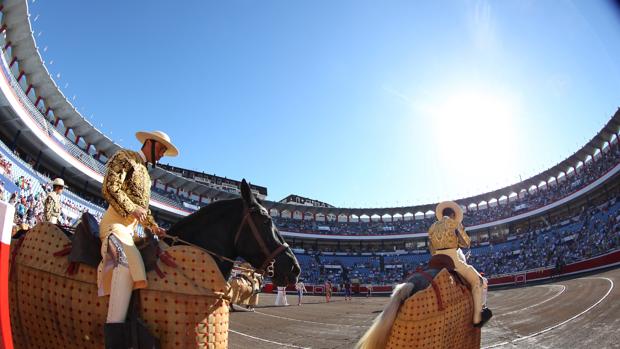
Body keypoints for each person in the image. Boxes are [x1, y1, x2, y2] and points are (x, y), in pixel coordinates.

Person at [97, 130, 178, 348]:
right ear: (149, 144)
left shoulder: (146, 176)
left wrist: (153, 226)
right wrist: (133, 209)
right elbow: (109, 186)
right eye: (161, 148)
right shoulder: (125, 157)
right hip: (114, 225)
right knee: (124, 261)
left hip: (133, 231)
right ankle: (115, 336)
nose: (161, 154)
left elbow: (144, 211)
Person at [428, 201, 492, 327]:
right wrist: (458, 231)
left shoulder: (432, 227)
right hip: (453, 260)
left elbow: (431, 249)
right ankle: (477, 319)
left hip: (435, 260)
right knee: (477, 281)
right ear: (452, 214)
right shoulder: (455, 223)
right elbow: (466, 243)